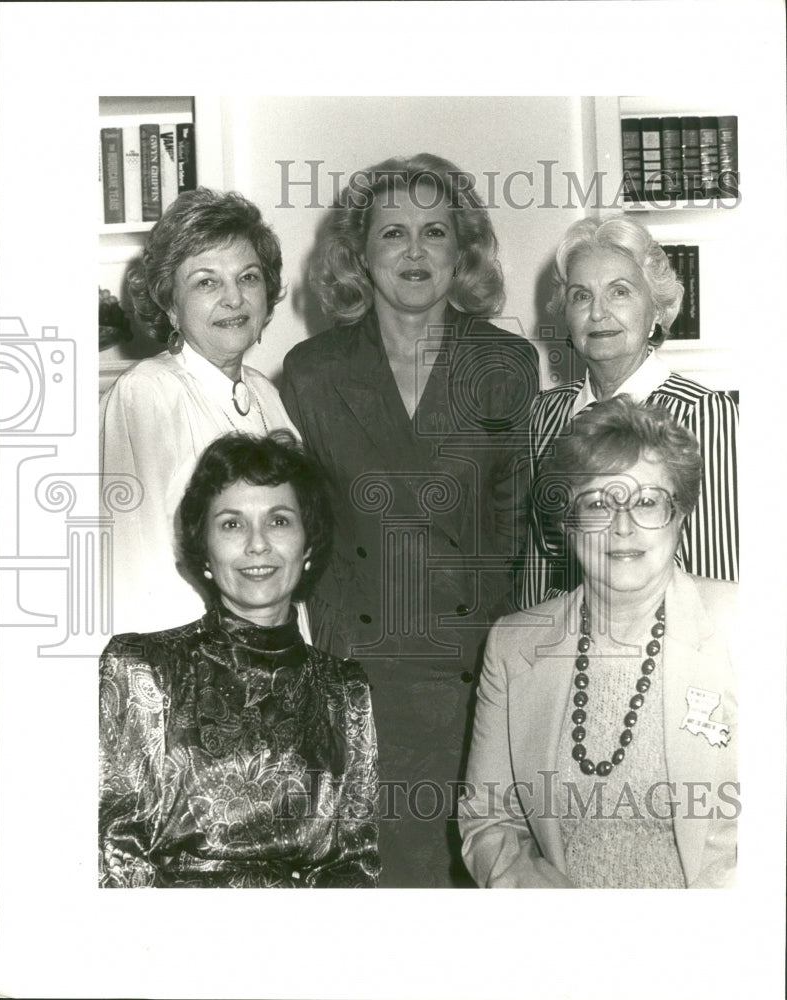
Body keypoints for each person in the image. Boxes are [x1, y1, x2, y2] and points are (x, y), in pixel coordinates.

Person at [280, 153, 540, 886]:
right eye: (393, 233)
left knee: (474, 876)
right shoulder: (311, 372)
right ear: (358, 254)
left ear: (463, 251)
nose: (416, 251)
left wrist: (497, 660)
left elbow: (513, 527)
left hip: (470, 671)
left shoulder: (508, 362)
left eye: (435, 231)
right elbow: (310, 533)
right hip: (359, 673)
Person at [459, 397, 738, 888]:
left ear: (681, 515)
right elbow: (489, 820)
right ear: (567, 524)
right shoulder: (513, 644)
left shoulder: (750, 627)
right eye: (598, 503)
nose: (623, 525)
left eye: (648, 501)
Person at [99, 432, 380, 888]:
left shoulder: (344, 690)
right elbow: (115, 858)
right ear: (204, 550)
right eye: (231, 524)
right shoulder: (143, 668)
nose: (257, 544)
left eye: (279, 521)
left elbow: (353, 865)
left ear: (308, 546)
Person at [100, 188, 301, 635]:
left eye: (248, 277)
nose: (234, 299)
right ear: (170, 304)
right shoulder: (146, 394)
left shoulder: (267, 394)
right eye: (207, 282)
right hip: (193, 667)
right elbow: (131, 571)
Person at [520, 214, 738, 610]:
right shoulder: (547, 413)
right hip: (562, 644)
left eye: (619, 292)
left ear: (656, 310)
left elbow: (716, 574)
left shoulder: (703, 414)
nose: (598, 313)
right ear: (566, 314)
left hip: (663, 645)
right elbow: (541, 564)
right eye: (581, 295)